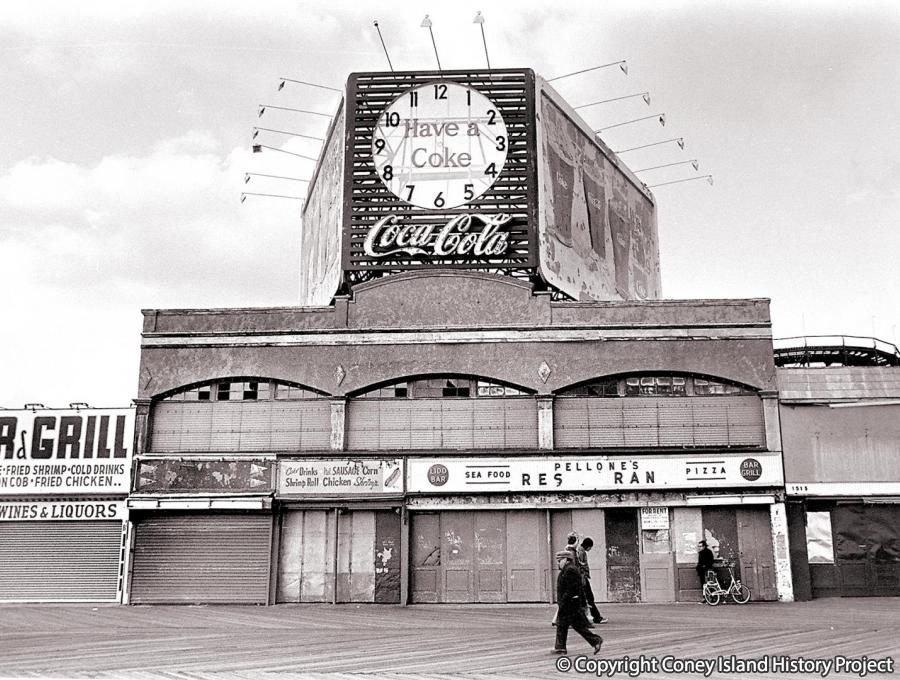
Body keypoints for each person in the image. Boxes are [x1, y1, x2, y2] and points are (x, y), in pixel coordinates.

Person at [553, 550, 603, 656]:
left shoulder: (570, 570)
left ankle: (561, 647)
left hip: (569, 604)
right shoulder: (569, 569)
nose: (558, 563)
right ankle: (560, 647)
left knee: (567, 624)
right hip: (570, 603)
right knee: (568, 625)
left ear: (566, 560)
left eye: (559, 560)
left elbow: (571, 588)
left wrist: (563, 601)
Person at [578, 537, 607, 624]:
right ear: (588, 546)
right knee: (589, 598)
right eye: (590, 547)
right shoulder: (581, 552)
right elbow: (581, 566)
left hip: (582, 577)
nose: (590, 549)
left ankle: (594, 617)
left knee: (586, 598)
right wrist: (583, 577)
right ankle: (596, 617)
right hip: (583, 578)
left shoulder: (580, 550)